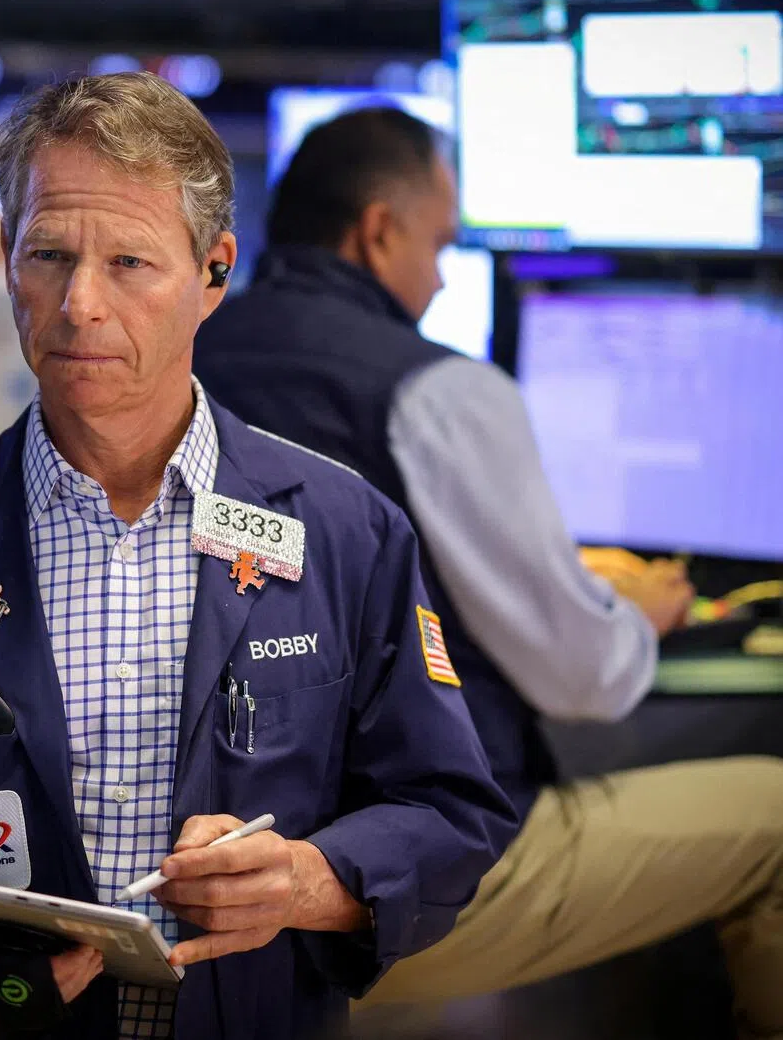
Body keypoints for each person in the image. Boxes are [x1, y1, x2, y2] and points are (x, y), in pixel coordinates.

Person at [0, 75, 518, 1040]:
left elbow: (451, 813)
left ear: (215, 272)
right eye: (48, 254)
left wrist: (314, 881)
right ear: (7, 264)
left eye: (132, 262)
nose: (79, 304)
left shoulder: (348, 535)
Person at [193, 106, 783, 1040]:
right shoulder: (435, 390)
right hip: (372, 885)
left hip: (194, 873)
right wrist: (639, 618)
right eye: (440, 245)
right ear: (379, 231)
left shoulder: (181, 358)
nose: (437, 278)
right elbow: (584, 677)